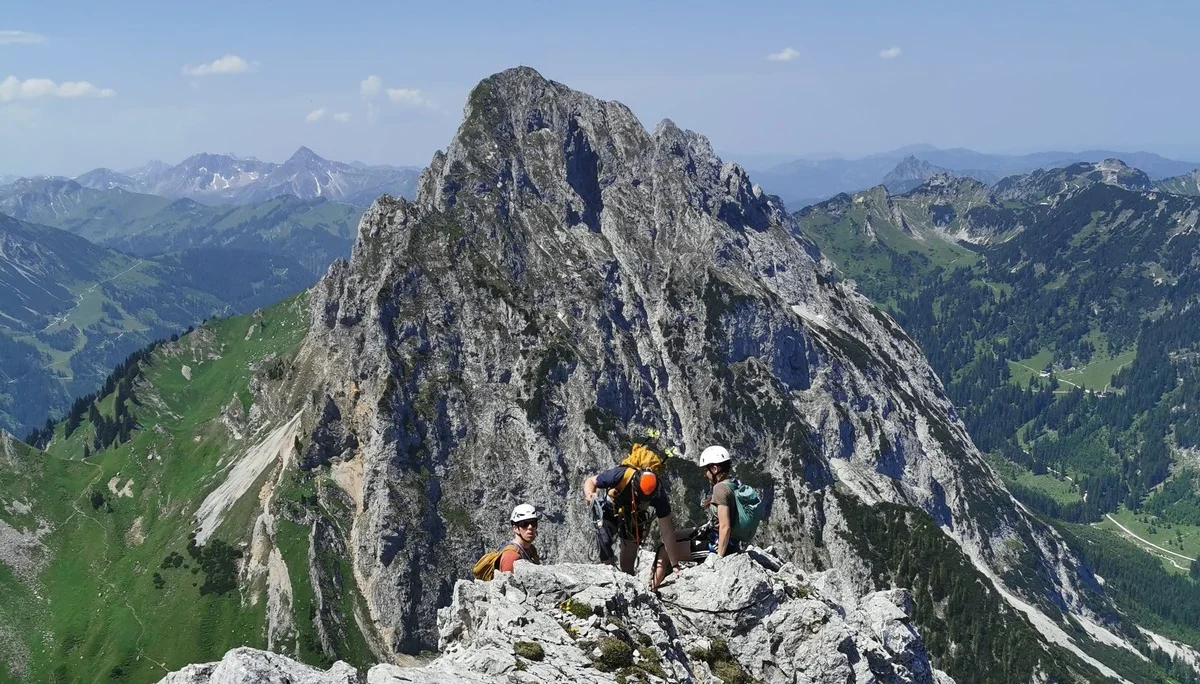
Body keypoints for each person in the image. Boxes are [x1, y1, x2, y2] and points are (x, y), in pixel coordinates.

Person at [651, 445, 741, 590]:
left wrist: (717, 559)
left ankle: (651, 590)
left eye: (707, 470)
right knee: (671, 537)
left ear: (715, 469)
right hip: (720, 538)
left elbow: (725, 526)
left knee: (665, 549)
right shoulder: (733, 483)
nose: (705, 474)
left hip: (716, 546)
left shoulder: (720, 489)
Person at [583, 459, 684, 580]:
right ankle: (608, 575)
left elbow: (667, 532)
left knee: (627, 563)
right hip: (612, 509)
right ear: (634, 487)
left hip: (635, 516)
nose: (643, 501)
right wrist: (590, 494)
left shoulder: (659, 494)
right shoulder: (621, 475)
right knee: (604, 540)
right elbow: (591, 481)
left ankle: (628, 582)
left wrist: (675, 564)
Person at [499, 503, 542, 572]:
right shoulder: (511, 556)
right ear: (515, 528)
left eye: (533, 523)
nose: (530, 527)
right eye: (524, 524)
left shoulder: (531, 549)